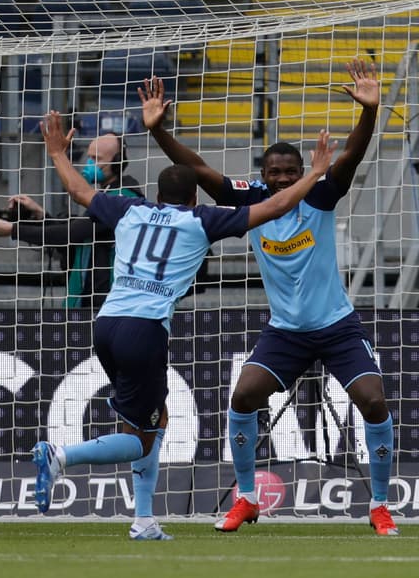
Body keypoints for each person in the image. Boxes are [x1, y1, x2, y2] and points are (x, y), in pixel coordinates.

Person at [31, 110, 334, 541]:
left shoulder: (130, 210)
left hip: (106, 324)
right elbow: (277, 204)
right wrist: (316, 173)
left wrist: (58, 153)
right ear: (195, 197)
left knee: (153, 421)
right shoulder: (202, 221)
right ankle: (60, 455)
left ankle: (144, 520)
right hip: (145, 330)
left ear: (156, 192)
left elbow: (79, 190)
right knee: (142, 438)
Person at [140, 61, 398, 536]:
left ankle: (380, 505)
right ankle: (246, 498)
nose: (282, 179)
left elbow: (352, 160)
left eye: (290, 172)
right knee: (243, 395)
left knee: (372, 400)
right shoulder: (250, 197)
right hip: (286, 330)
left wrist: (369, 112)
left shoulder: (319, 194)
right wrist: (160, 132)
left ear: (302, 172)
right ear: (263, 174)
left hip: (336, 325)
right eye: (275, 172)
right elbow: (196, 169)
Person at [0, 132, 142, 309]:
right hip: (91, 301)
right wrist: (42, 215)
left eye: (96, 158)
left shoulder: (122, 198)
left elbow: (70, 234)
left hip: (107, 303)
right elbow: (79, 232)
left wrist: (13, 230)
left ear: (117, 161)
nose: (89, 163)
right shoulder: (105, 196)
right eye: (89, 157)